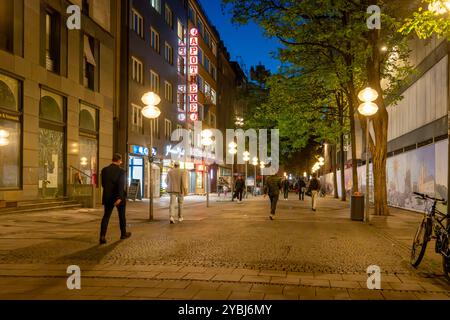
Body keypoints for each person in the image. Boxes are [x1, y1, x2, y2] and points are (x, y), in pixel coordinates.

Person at [99, 153, 131, 245]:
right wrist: (120, 197)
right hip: (118, 197)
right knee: (121, 216)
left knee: (106, 216)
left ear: (112, 159)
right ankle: (123, 234)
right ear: (119, 161)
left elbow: (103, 184)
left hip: (107, 197)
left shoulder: (104, 170)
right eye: (121, 160)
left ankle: (102, 236)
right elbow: (121, 185)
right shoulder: (121, 172)